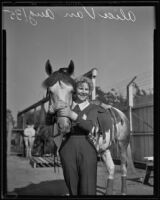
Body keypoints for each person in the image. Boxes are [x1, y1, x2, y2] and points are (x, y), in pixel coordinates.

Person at [58, 76, 104, 195]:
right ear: (75, 89)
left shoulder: (93, 108)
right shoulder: (65, 106)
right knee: (71, 184)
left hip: (87, 147)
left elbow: (89, 127)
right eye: (80, 88)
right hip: (67, 147)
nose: (83, 92)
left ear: (89, 92)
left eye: (86, 89)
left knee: (87, 187)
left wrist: (72, 115)